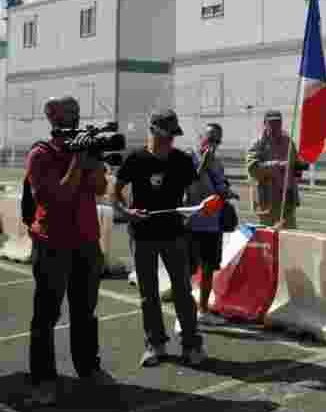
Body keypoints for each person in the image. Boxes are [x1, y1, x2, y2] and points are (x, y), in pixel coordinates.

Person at [24, 96, 114, 406]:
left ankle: (88, 368)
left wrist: (91, 157)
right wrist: (76, 159)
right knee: (46, 315)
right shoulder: (41, 154)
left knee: (85, 312)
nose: (74, 117)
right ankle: (43, 379)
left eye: (76, 111)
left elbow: (100, 187)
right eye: (68, 112)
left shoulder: (85, 149)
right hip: (53, 244)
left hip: (86, 242)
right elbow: (56, 198)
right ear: (53, 117)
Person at [113, 109, 206, 367]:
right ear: (153, 130)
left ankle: (191, 344)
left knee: (183, 291)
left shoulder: (182, 160)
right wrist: (127, 211)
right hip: (142, 235)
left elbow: (193, 195)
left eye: (173, 135)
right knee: (148, 294)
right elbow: (115, 193)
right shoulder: (135, 158)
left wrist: (193, 209)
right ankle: (155, 345)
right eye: (167, 135)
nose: (170, 141)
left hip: (174, 234)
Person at [184, 122, 235, 326]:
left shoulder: (218, 163)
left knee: (208, 269)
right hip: (192, 222)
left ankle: (203, 309)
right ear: (201, 138)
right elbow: (191, 183)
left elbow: (221, 187)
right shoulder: (189, 157)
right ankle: (185, 310)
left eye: (216, 140)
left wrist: (228, 193)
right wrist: (203, 162)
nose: (213, 144)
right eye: (210, 139)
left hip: (212, 224)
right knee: (187, 270)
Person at [245, 110, 306, 229]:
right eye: (271, 123)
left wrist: (299, 166)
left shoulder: (288, 141)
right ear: (265, 124)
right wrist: (277, 165)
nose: (275, 126)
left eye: (278, 123)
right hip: (268, 200)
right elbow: (252, 168)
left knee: (289, 236)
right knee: (268, 237)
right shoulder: (258, 144)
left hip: (287, 199)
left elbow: (294, 164)